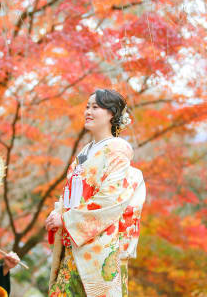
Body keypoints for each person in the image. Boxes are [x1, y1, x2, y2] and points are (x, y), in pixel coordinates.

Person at [45, 89, 146, 297]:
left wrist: (65, 219)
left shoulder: (117, 150)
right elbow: (71, 195)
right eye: (87, 106)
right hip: (73, 244)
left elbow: (110, 200)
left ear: (112, 114)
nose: (88, 111)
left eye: (95, 107)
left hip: (98, 248)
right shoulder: (85, 152)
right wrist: (57, 213)